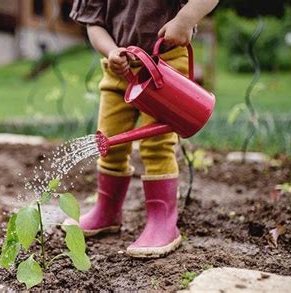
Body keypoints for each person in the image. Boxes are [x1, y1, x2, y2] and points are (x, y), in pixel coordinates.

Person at [65, 0, 219, 258]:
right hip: (119, 69)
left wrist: (184, 20)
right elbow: (94, 24)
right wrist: (111, 50)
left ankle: (163, 221)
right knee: (109, 142)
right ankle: (107, 210)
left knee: (156, 146)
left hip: (165, 63)